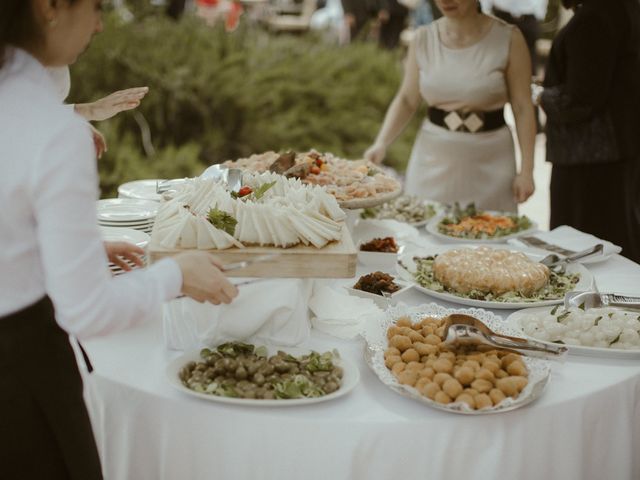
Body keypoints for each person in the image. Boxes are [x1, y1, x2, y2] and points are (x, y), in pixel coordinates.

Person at [0, 1, 239, 478]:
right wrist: (175, 273)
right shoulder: (53, 131)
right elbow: (86, 310)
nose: (100, 23)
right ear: (48, 7)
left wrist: (71, 253)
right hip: (20, 378)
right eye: (95, 6)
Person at [364, 0, 536, 212]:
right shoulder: (422, 38)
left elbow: (522, 106)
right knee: (424, 233)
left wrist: (527, 171)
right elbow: (407, 99)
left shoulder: (509, 38)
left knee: (490, 237)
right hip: (433, 158)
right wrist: (381, 143)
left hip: (492, 161)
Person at [536, 0, 640, 262]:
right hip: (611, 152)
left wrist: (539, 95)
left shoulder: (596, 17)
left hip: (589, 158)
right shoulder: (621, 8)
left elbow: (581, 98)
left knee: (585, 249)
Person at [480, 0, 548, 73]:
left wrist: (539, 14)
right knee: (497, 61)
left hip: (529, 18)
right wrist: (485, 12)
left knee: (528, 61)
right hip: (502, 15)